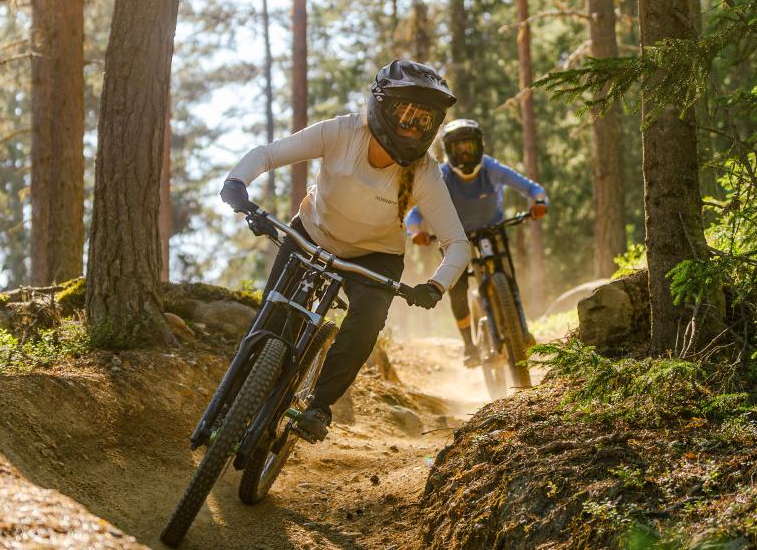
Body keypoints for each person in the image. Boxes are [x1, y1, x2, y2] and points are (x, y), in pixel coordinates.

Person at [220, 60, 471, 443]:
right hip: (311, 233)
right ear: (381, 106)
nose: (411, 125)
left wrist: (436, 286)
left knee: (366, 322)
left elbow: (457, 244)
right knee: (271, 318)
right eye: (405, 112)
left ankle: (319, 406)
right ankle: (235, 401)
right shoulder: (342, 131)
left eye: (423, 119)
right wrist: (237, 181)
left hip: (375, 256)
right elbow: (268, 154)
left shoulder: (423, 171)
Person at [405, 118, 548, 368]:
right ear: (448, 151)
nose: (464, 154)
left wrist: (539, 202)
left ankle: (521, 329)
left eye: (469, 147)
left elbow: (531, 188)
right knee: (457, 289)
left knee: (507, 274)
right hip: (453, 237)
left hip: (493, 231)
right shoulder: (442, 177)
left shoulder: (491, 168)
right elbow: (414, 214)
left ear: (479, 146)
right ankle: (469, 346)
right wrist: (415, 232)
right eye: (458, 148)